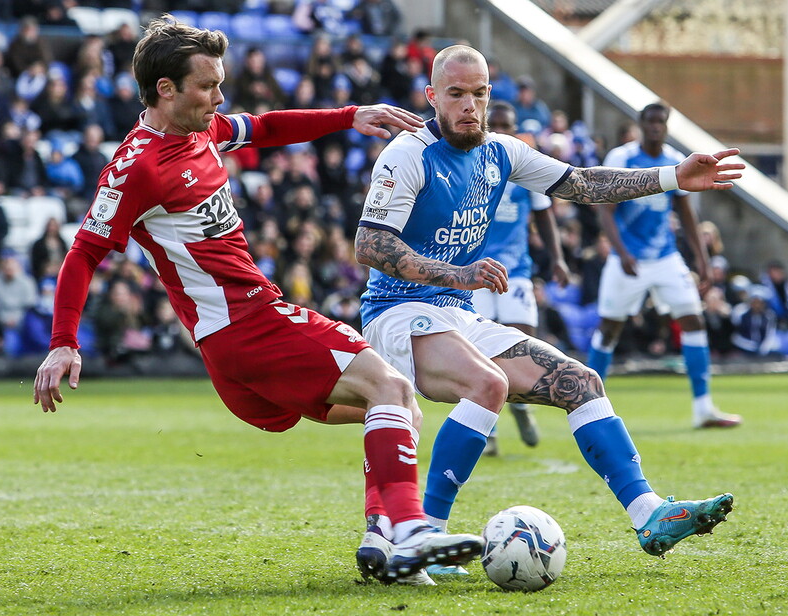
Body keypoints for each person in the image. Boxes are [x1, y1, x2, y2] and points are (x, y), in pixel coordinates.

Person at [31, 16, 483, 586]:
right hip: (248, 325)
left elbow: (265, 128)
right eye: (208, 86)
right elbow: (83, 253)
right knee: (390, 385)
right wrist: (63, 343)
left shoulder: (200, 130)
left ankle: (383, 539)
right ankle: (416, 530)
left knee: (397, 408)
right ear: (165, 89)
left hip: (234, 346)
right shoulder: (137, 169)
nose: (220, 97)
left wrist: (350, 116)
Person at [354, 45, 740, 573]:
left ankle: (650, 512)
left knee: (581, 382)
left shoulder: (503, 153)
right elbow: (372, 246)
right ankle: (428, 539)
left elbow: (581, 183)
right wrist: (457, 274)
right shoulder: (407, 155)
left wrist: (671, 177)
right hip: (395, 313)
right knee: (486, 384)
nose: (470, 105)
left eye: (479, 94)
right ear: (432, 97)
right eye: (456, 94)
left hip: (456, 314)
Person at [585, 101, 742, 429]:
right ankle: (587, 406)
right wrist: (621, 252)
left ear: (666, 126)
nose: (656, 127)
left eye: (661, 122)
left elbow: (686, 213)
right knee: (609, 329)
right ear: (641, 125)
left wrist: (702, 258)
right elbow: (605, 209)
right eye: (651, 122)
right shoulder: (622, 158)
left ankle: (703, 407)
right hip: (627, 258)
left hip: (666, 257)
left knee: (693, 320)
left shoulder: (674, 160)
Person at [471, 101, 570, 456]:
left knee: (521, 345)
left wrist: (557, 258)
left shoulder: (524, 165)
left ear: (515, 128)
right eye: (492, 123)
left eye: (505, 124)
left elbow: (544, 215)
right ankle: (490, 431)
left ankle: (520, 403)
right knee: (479, 350)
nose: (498, 129)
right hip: (475, 273)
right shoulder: (470, 163)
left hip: (517, 271)